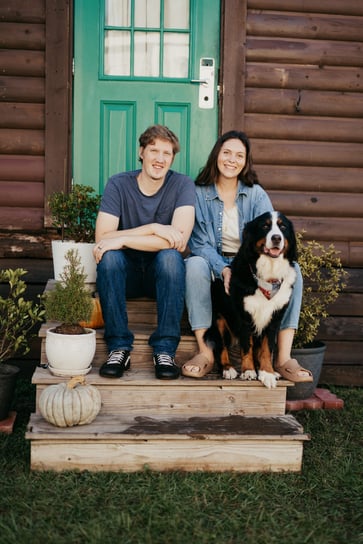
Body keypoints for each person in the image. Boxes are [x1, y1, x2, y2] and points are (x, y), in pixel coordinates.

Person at [182, 130, 313, 383]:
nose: (232, 160)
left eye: (239, 155)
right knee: (195, 265)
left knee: (292, 271)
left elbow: (268, 238)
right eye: (227, 153)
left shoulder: (256, 194)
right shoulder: (199, 192)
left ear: (246, 161)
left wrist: (243, 268)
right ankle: (206, 353)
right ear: (216, 156)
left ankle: (283, 358)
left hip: (249, 263)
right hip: (212, 260)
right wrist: (223, 268)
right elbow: (198, 242)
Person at [94, 125, 195, 380]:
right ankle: (118, 347)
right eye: (154, 151)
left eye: (167, 153)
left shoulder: (182, 184)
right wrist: (154, 228)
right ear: (141, 152)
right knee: (110, 258)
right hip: (125, 275)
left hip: (160, 277)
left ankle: (164, 351)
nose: (160, 159)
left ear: (172, 158)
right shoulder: (118, 184)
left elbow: (178, 241)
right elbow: (102, 238)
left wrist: (125, 237)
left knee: (171, 259)